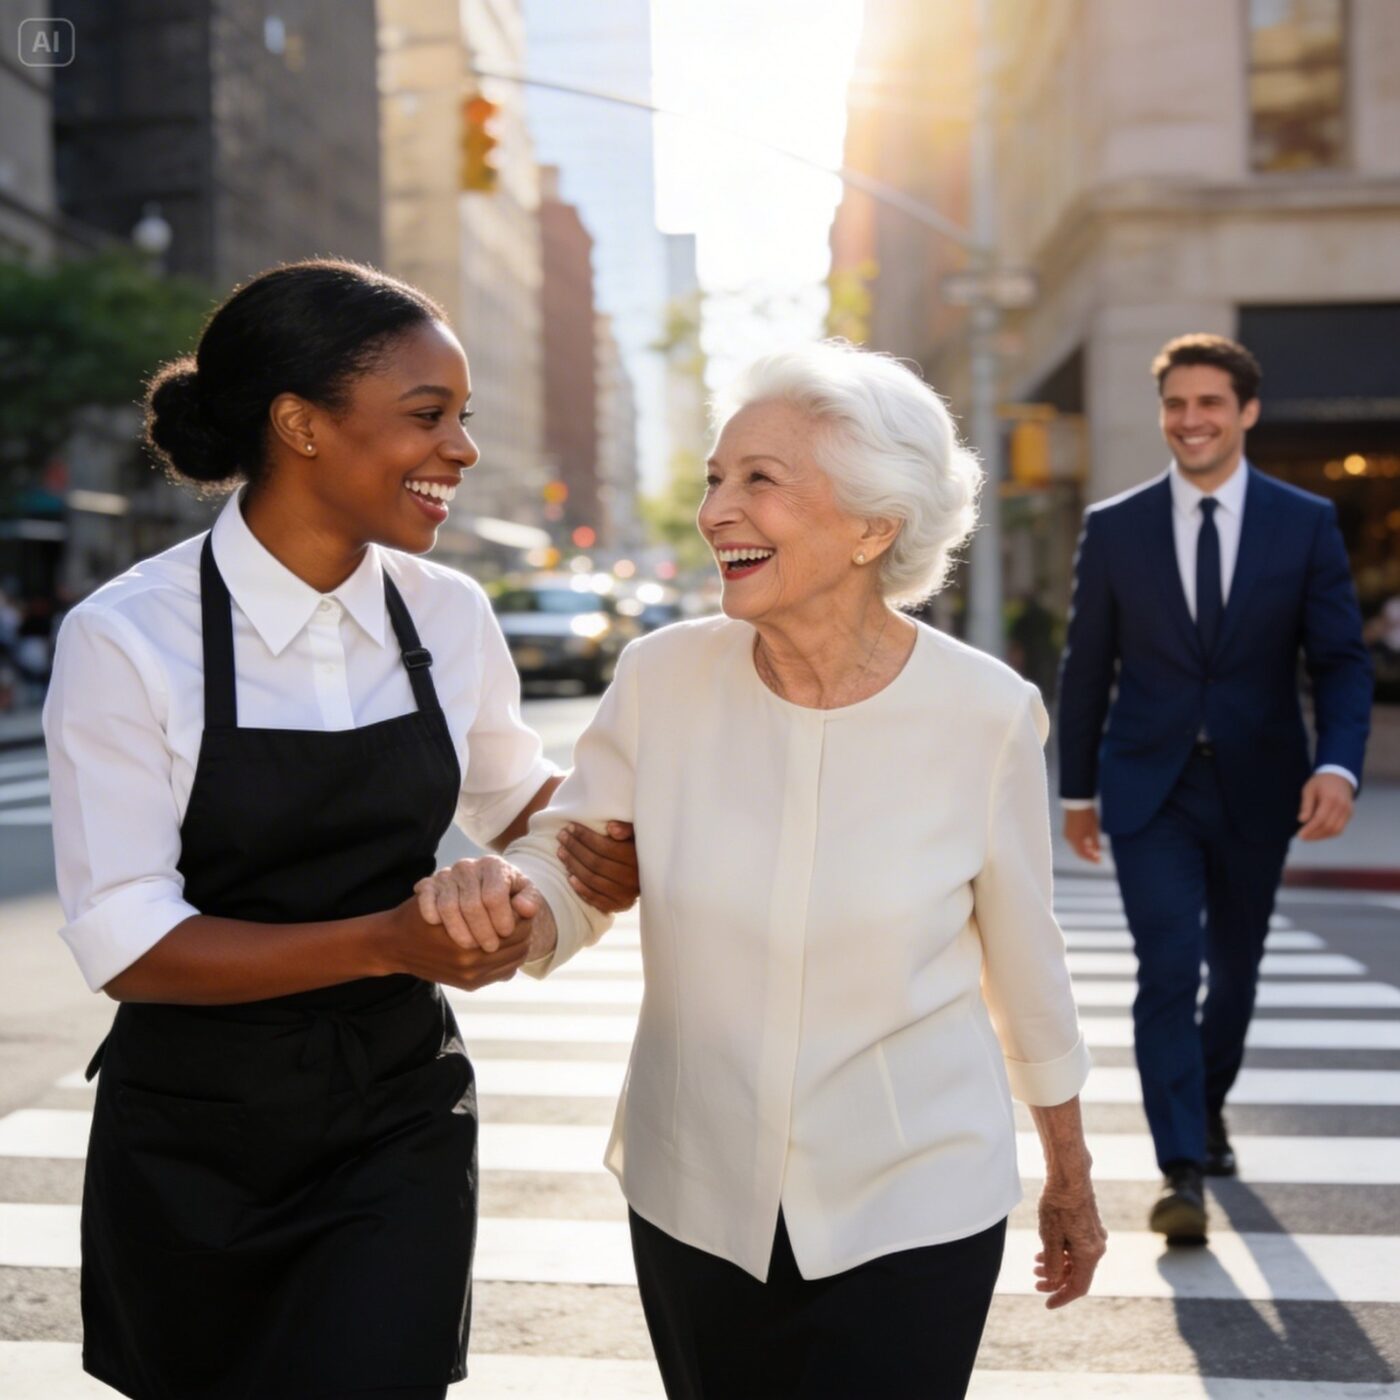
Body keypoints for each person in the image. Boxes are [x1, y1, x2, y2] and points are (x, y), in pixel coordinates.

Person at [419, 342, 1107, 1400]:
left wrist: (1068, 1168)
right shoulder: (661, 676)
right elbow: (574, 860)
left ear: (873, 526)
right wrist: (513, 904)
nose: (716, 510)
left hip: (913, 1195)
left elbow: (1022, 955)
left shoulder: (985, 713)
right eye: (714, 477)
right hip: (694, 1187)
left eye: (760, 480)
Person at [42, 259, 637, 1400]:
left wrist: (594, 847)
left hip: (394, 1114)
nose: (459, 450)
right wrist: (391, 943)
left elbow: (526, 799)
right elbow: (128, 943)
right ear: (298, 425)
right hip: (194, 1140)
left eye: (463, 418)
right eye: (429, 416)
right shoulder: (127, 638)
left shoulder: (445, 612)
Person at [1057, 333, 1372, 1245]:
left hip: (1260, 786)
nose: (1190, 420)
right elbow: (1087, 670)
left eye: (1209, 404)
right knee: (1168, 967)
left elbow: (1342, 664)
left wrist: (1337, 764)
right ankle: (1180, 1166)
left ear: (1246, 413)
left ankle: (1207, 1104)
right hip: (1148, 787)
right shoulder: (1114, 527)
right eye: (1176, 405)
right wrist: (1076, 792)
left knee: (1235, 971)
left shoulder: (1302, 522)